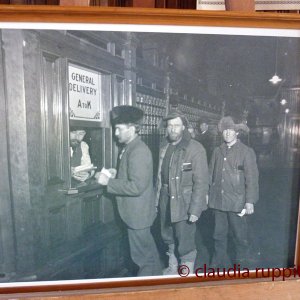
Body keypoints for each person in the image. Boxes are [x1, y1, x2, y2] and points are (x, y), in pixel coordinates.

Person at [97, 105, 162, 277]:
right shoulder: (130, 147)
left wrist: (109, 182)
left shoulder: (138, 150)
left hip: (138, 215)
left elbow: (137, 187)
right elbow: (134, 176)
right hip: (136, 214)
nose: (115, 133)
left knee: (143, 260)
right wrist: (116, 174)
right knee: (148, 256)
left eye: (119, 129)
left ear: (132, 129)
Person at [156, 110, 209, 275]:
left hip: (184, 203)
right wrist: (157, 202)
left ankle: (186, 273)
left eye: (177, 125)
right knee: (168, 236)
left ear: (184, 127)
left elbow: (201, 182)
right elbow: (159, 177)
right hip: (166, 199)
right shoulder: (164, 146)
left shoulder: (195, 148)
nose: (173, 129)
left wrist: (195, 209)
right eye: (170, 125)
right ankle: (173, 268)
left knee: (185, 241)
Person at [208, 116, 259, 268]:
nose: (228, 133)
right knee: (218, 234)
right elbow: (210, 174)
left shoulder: (246, 152)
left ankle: (242, 263)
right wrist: (207, 194)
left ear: (237, 132)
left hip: (237, 202)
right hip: (218, 200)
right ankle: (218, 261)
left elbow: (252, 179)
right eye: (225, 130)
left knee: (240, 235)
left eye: (231, 130)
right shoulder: (217, 151)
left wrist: (250, 201)